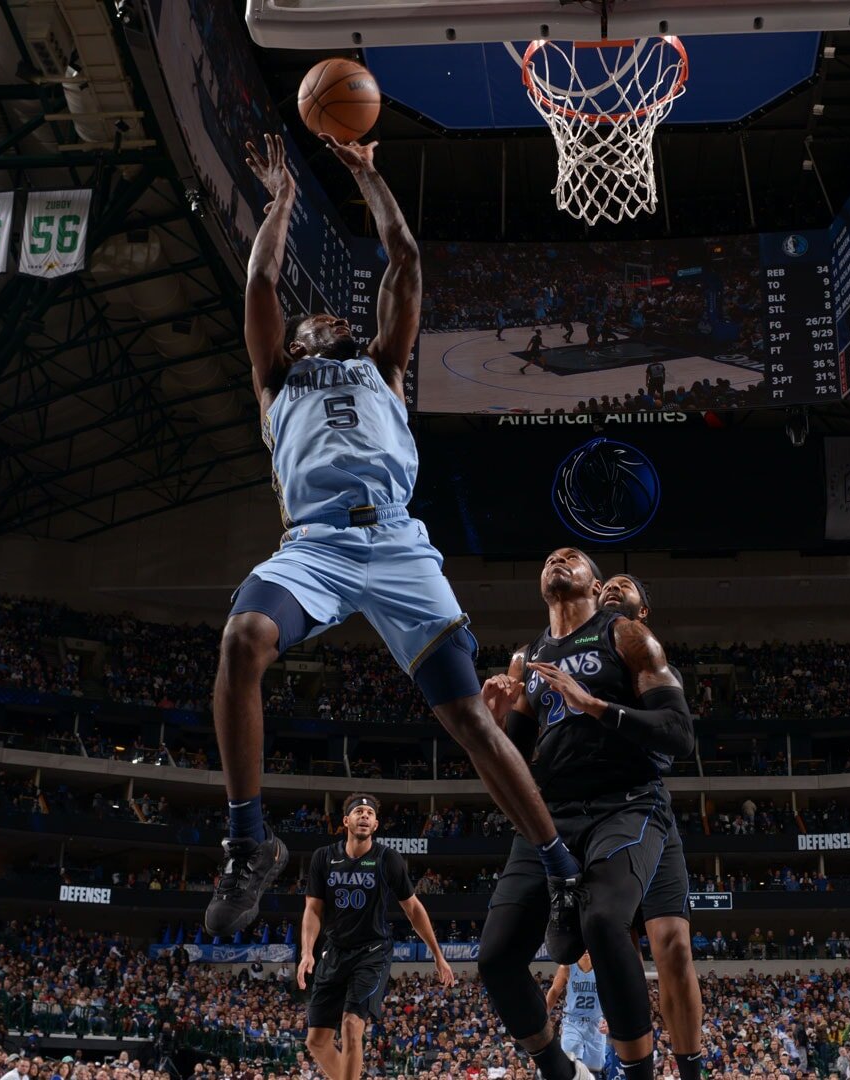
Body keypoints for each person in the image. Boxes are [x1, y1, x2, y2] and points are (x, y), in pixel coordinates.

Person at [204, 132, 582, 938]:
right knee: (242, 640)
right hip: (316, 544)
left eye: (338, 314)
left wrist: (369, 176)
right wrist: (281, 204)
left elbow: (404, 257)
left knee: (470, 719)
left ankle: (561, 872)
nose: (329, 317)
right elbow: (262, 279)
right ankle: (247, 841)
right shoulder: (275, 379)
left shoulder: (382, 364)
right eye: (317, 318)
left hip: (401, 547)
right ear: (295, 342)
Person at [480, 548, 696, 1080]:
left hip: (624, 802)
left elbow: (679, 734)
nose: (558, 558)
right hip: (552, 816)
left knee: (610, 924)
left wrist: (595, 705)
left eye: (572, 556)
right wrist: (492, 727)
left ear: (594, 585)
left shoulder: (624, 635)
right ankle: (558, 1069)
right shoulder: (526, 658)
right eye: (550, 556)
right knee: (496, 956)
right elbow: (515, 765)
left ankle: (652, 1071)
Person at [594, 574, 705, 1080]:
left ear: (644, 613)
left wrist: (605, 713)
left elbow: (671, 745)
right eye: (607, 584)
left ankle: (691, 1070)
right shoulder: (565, 659)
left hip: (648, 810)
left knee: (675, 948)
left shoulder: (654, 667)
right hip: (593, 819)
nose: (613, 587)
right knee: (617, 950)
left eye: (626, 585)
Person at [298, 793, 454, 1080]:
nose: (365, 816)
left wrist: (438, 955)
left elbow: (414, 909)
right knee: (316, 1041)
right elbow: (313, 909)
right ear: (346, 820)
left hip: (371, 952)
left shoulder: (387, 858)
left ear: (376, 823)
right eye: (358, 811)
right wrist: (307, 951)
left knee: (351, 1026)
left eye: (369, 813)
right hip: (334, 952)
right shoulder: (324, 857)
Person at [546, 954, 606, 1075]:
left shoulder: (603, 967)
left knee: (595, 1067)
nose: (586, 950)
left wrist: (610, 1019)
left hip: (596, 1022)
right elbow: (554, 991)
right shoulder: (567, 967)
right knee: (570, 1063)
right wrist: (544, 1016)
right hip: (572, 1021)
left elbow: (613, 995)